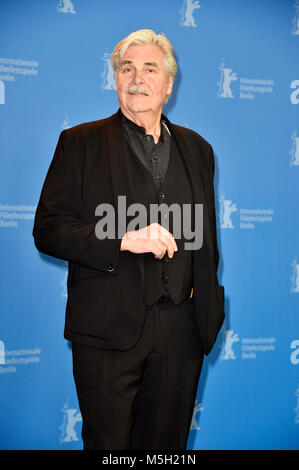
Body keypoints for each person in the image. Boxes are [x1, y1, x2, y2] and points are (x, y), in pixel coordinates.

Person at [33, 29, 225, 450]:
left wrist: (207, 310)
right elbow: (48, 230)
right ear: (115, 79)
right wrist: (122, 239)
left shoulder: (199, 149)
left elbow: (206, 240)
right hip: (107, 332)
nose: (137, 78)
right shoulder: (79, 143)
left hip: (182, 330)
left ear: (168, 85)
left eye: (150, 68)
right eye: (127, 68)